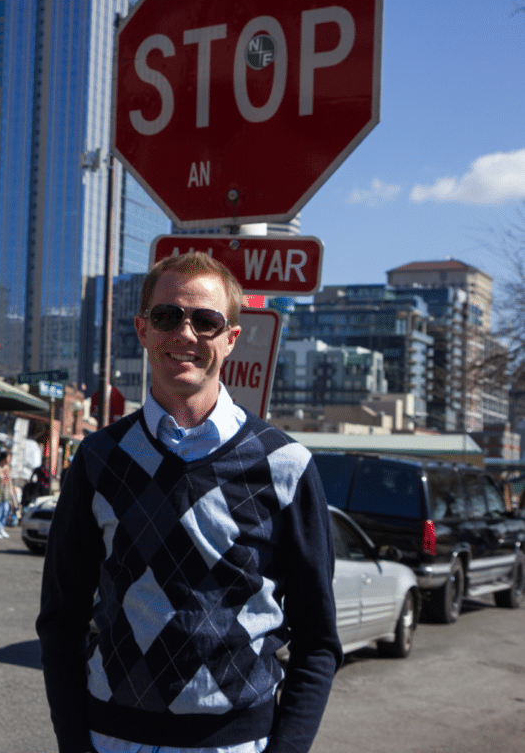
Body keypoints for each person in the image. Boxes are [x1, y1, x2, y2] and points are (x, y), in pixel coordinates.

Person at [36, 252, 341, 753]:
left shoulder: (286, 466)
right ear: (142, 329)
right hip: (113, 741)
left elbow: (318, 642)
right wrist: (76, 745)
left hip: (238, 744)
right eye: (167, 316)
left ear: (230, 339)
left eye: (205, 320)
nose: (185, 334)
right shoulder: (98, 460)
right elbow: (60, 621)